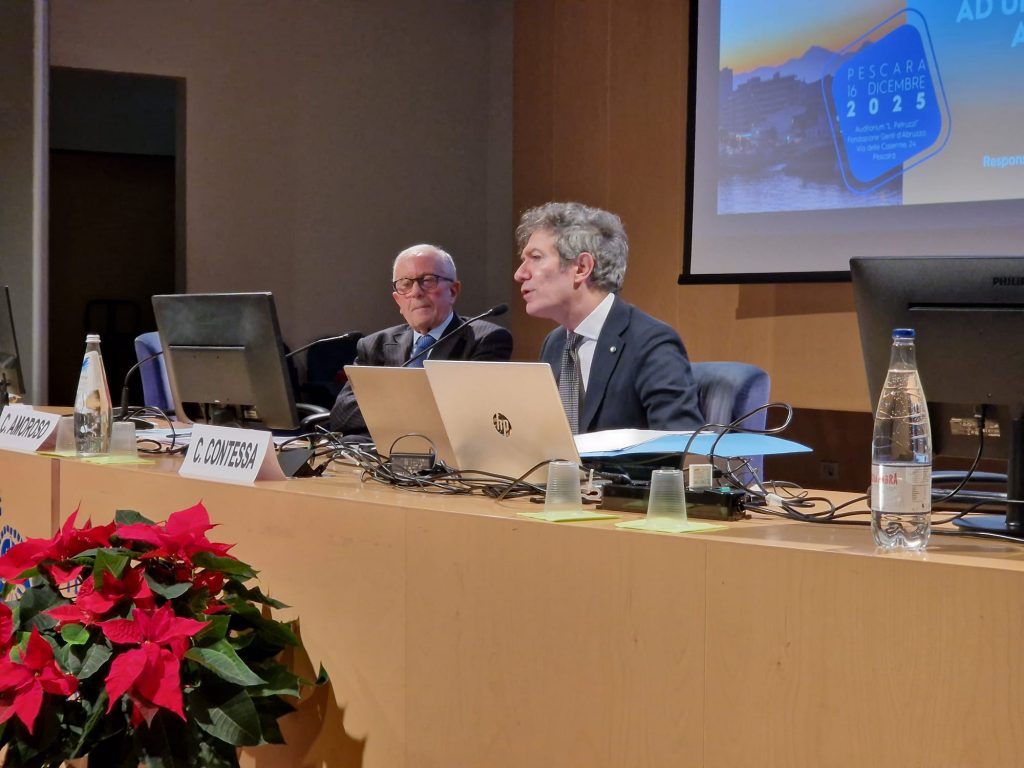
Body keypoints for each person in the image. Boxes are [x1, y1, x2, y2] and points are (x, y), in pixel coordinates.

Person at [513, 201, 703, 434]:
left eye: (535, 257)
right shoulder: (556, 343)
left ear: (581, 268)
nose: (520, 274)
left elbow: (680, 442)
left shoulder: (650, 343)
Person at [329, 244, 513, 434]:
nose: (416, 292)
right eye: (406, 284)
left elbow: (467, 413)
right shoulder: (375, 345)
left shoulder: (485, 339)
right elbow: (343, 415)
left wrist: (383, 405)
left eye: (428, 280)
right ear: (398, 301)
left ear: (453, 291)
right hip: (376, 448)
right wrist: (416, 406)